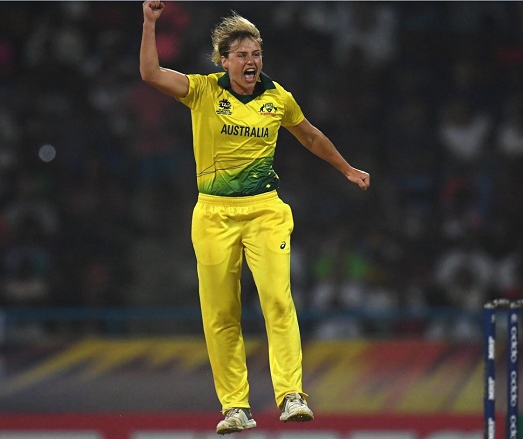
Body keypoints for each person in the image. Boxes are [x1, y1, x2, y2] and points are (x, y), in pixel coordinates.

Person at [139, 1, 371, 434]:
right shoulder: (204, 91)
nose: (251, 61)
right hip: (213, 214)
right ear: (223, 60)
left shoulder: (277, 97)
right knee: (221, 312)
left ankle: (292, 394)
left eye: (256, 54)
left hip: (265, 210)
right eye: (242, 55)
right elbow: (151, 74)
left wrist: (346, 169)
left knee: (277, 300)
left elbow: (309, 135)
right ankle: (235, 407)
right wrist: (151, 23)